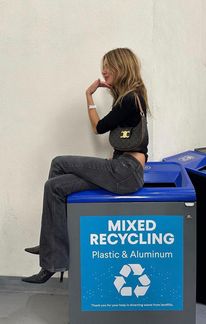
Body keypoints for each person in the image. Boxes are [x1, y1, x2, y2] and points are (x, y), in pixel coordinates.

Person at [22, 48, 149, 284]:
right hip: (124, 170)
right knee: (55, 187)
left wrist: (89, 96)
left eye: (108, 66)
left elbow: (98, 127)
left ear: (121, 67)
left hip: (125, 171)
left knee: (58, 162)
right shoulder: (133, 96)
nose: (103, 71)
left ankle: (53, 246)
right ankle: (53, 253)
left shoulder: (129, 99)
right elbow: (130, 139)